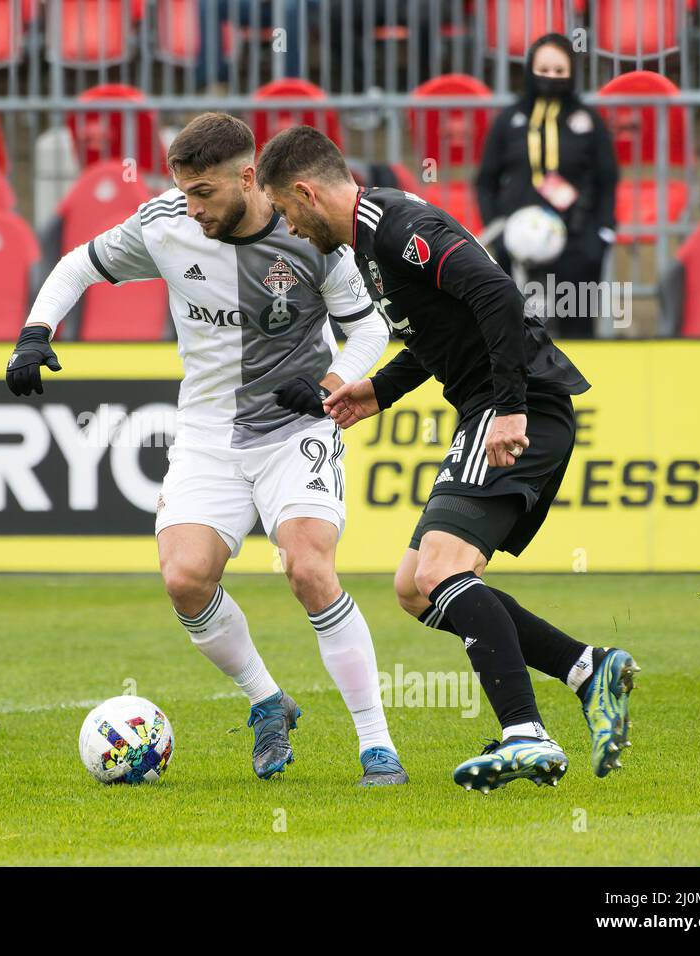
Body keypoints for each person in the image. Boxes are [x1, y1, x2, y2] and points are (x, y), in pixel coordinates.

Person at [5, 112, 407, 787]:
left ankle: (377, 747)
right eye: (184, 192)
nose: (191, 210)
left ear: (249, 178)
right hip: (206, 431)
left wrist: (332, 384)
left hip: (294, 425)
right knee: (184, 579)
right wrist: (36, 331)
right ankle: (266, 700)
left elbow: (368, 331)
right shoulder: (164, 223)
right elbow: (79, 265)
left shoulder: (310, 236)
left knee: (308, 567)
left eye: (205, 194)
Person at [257, 124, 638, 792]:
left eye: (286, 212)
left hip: (520, 404)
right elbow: (437, 335)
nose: (290, 228)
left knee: (441, 571)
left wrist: (512, 405)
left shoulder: (398, 222)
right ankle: (585, 668)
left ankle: (526, 734)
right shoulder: (371, 247)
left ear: (307, 193)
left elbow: (496, 295)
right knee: (415, 587)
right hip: (492, 405)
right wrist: (377, 391)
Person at [476, 33, 619, 339]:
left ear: (571, 73)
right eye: (543, 70)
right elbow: (486, 180)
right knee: (516, 331)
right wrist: (498, 230)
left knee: (576, 327)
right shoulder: (509, 119)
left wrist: (602, 233)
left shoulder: (588, 121)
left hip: (578, 242)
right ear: (530, 70)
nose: (550, 77)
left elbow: (607, 180)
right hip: (516, 246)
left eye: (559, 71)